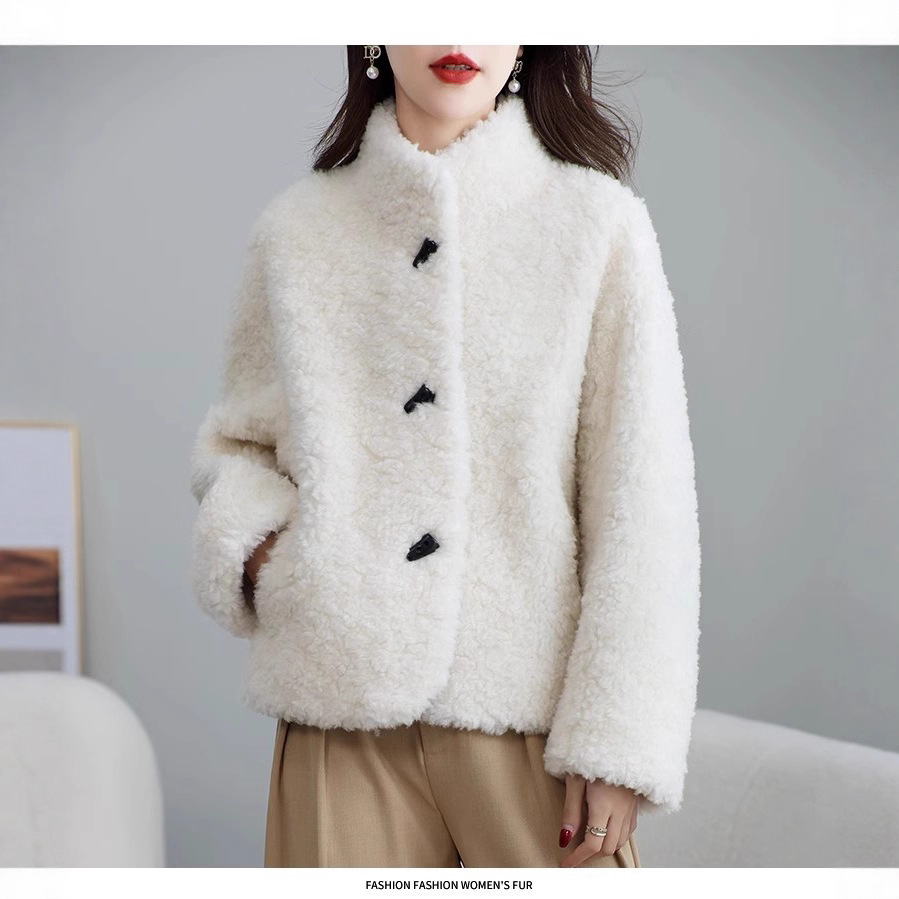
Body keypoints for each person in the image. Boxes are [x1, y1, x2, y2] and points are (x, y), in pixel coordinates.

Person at [189, 44, 701, 869]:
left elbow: (644, 498)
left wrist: (619, 740)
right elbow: (238, 445)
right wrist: (275, 562)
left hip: (533, 720)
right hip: (341, 707)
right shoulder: (297, 231)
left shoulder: (594, 225)